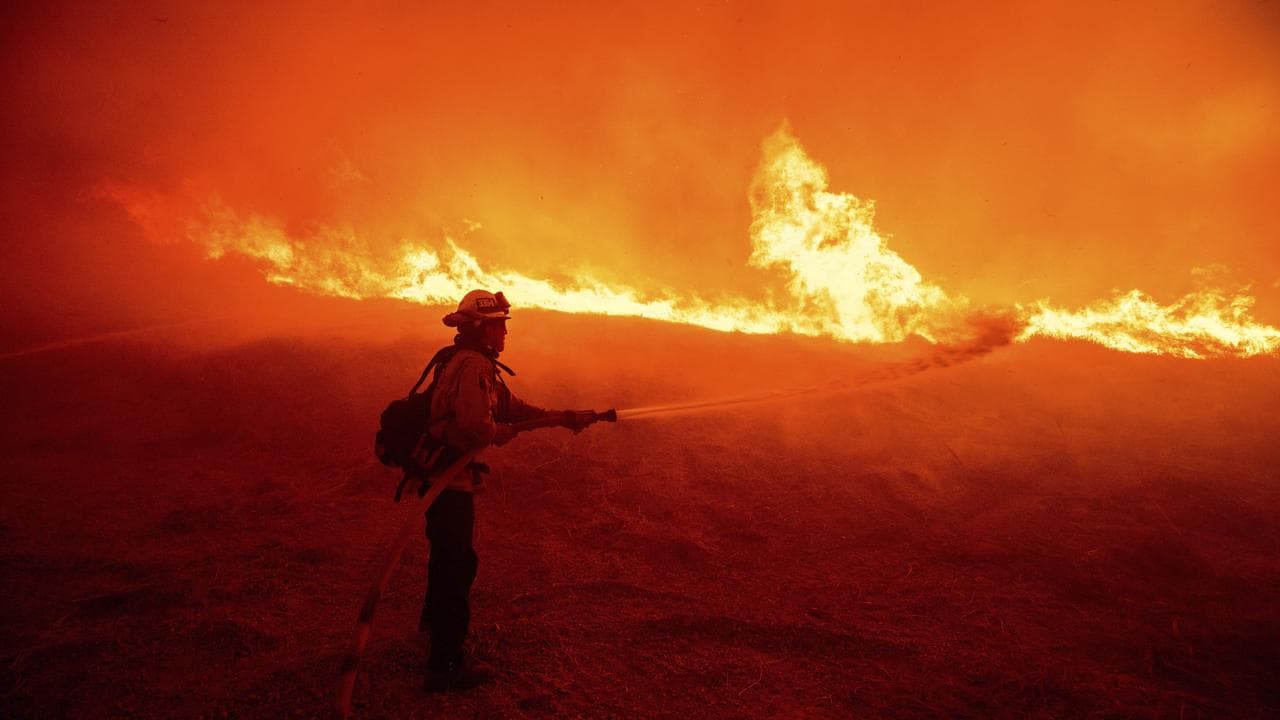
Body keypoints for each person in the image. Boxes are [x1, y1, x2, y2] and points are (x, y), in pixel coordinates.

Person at [418, 289, 576, 692]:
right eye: (499, 325)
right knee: (457, 564)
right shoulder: (473, 367)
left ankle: (433, 625)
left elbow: (508, 405)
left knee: (447, 558)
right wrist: (499, 433)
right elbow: (475, 425)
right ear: (481, 328)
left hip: (441, 478)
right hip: (449, 481)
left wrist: (560, 417)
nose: (504, 333)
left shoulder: (467, 361)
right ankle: (446, 662)